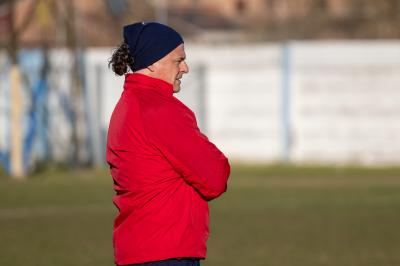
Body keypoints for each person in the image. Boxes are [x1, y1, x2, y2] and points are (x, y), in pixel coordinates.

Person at [106, 22, 231, 266]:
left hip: (141, 249)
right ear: (153, 62)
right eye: (178, 60)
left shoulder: (128, 104)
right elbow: (215, 177)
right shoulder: (160, 109)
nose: (186, 67)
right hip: (165, 252)